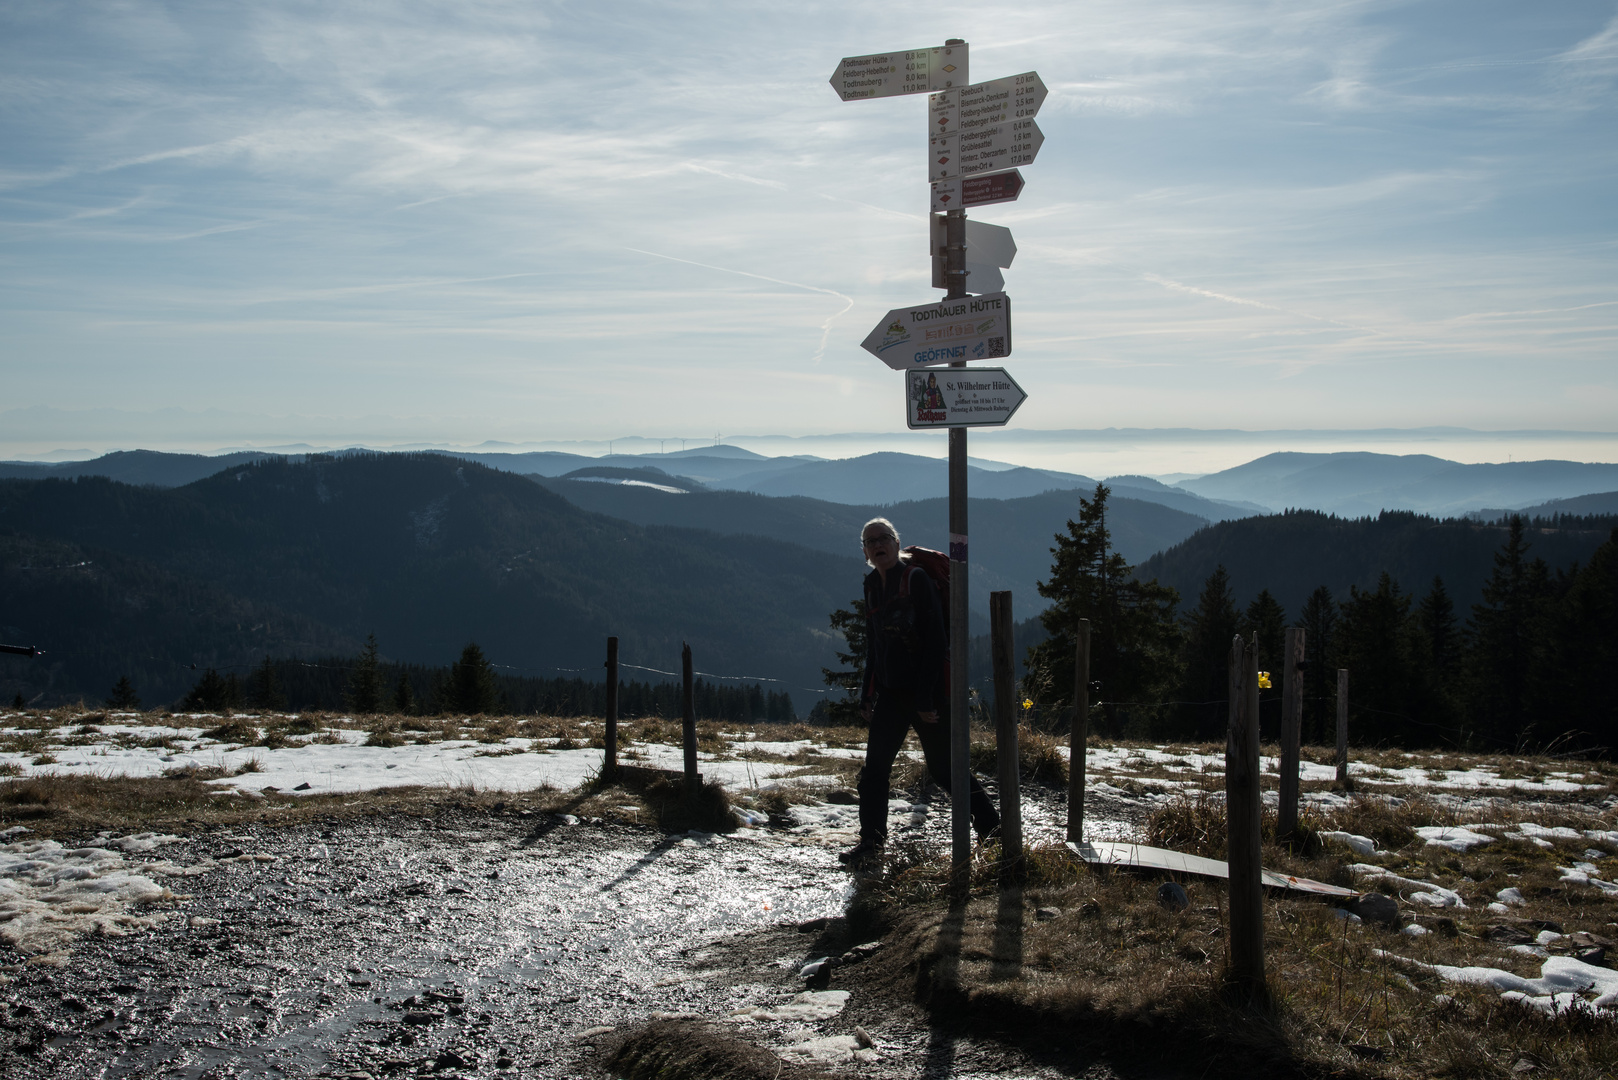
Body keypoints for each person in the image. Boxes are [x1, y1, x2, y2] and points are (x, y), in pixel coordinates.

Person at [840, 517, 999, 866]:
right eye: (870, 541)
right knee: (874, 771)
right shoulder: (871, 585)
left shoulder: (917, 579)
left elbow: (936, 642)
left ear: (897, 543)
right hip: (890, 694)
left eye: (883, 538)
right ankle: (871, 843)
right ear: (865, 551)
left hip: (925, 694)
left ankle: (994, 832)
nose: (877, 544)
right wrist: (868, 693)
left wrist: (927, 698)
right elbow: (875, 644)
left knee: (944, 771)